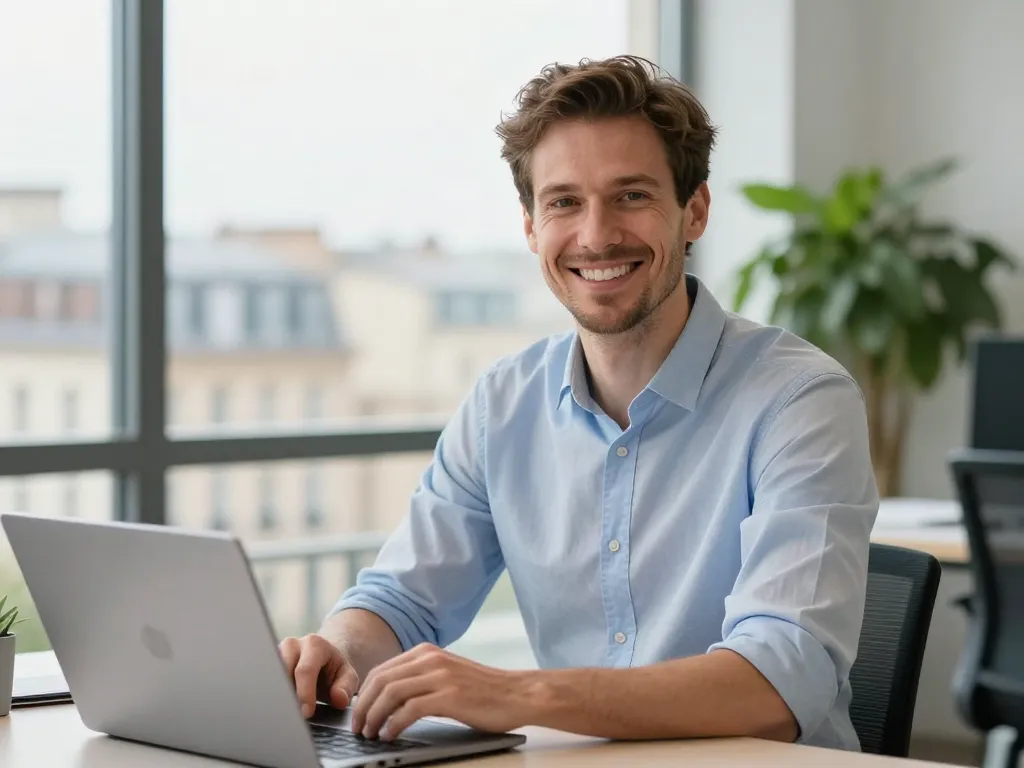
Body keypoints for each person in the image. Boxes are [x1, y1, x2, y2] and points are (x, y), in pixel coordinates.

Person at [278, 55, 878, 751]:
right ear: (531, 226)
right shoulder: (502, 404)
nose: (596, 236)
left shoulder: (799, 400)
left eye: (630, 196)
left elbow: (782, 681)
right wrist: (336, 652)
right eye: (564, 201)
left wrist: (519, 695)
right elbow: (401, 600)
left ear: (695, 212)